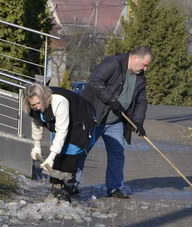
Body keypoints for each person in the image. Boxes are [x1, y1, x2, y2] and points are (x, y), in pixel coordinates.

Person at [78, 45, 152, 199]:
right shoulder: (114, 63)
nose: (145, 69)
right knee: (81, 150)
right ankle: (71, 184)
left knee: (117, 153)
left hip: (115, 122)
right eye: (144, 65)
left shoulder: (140, 77)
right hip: (94, 118)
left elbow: (141, 101)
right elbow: (95, 81)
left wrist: (138, 122)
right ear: (135, 58)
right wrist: (111, 100)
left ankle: (115, 188)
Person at [23, 83, 96, 202]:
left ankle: (66, 191)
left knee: (69, 156)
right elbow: (37, 123)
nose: (36, 106)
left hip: (79, 123)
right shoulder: (33, 106)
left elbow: (62, 131)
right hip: (61, 123)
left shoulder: (59, 101)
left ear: (43, 98)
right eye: (33, 105)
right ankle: (55, 187)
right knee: (57, 158)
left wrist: (51, 156)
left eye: (38, 103)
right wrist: (36, 146)